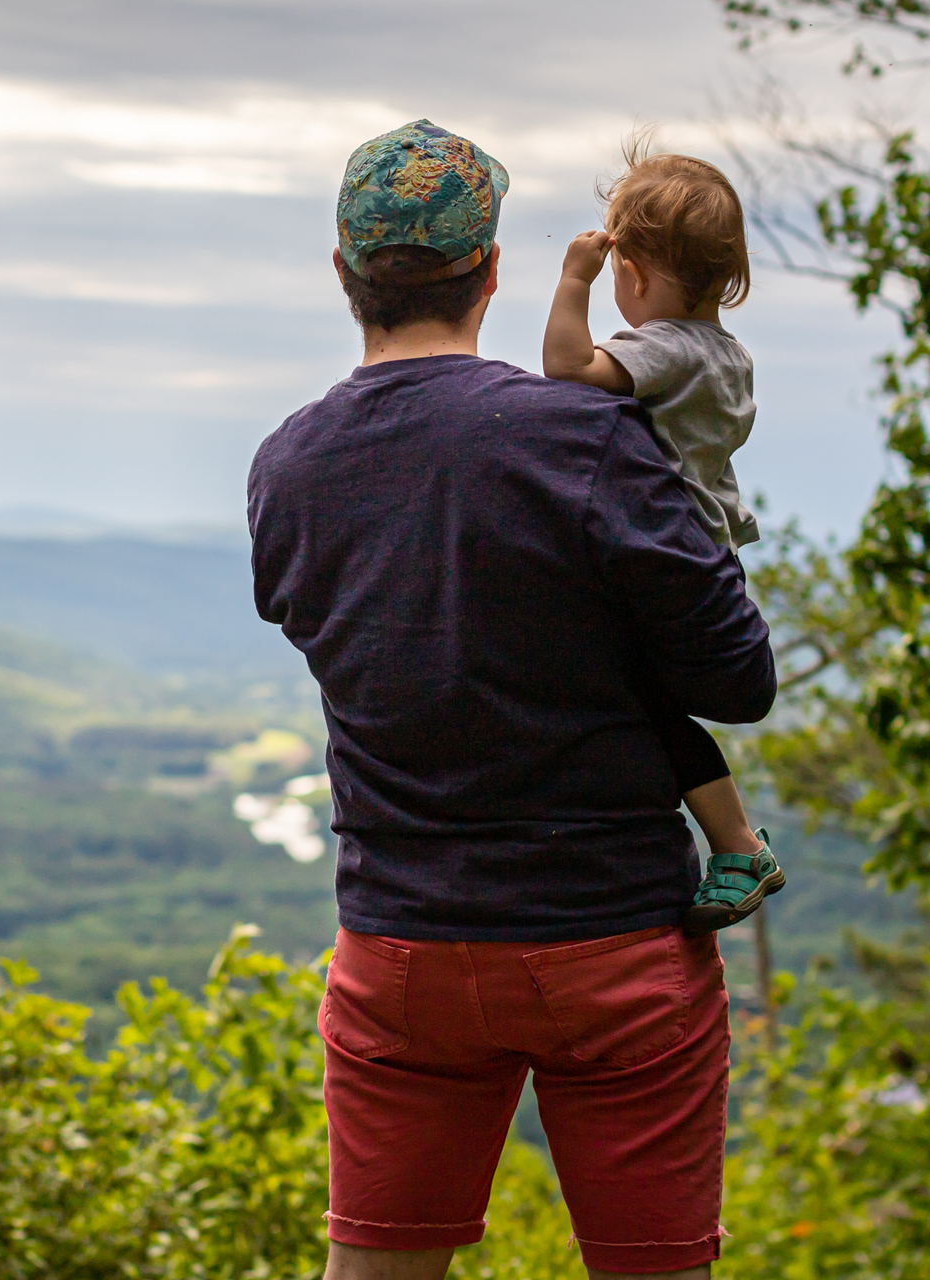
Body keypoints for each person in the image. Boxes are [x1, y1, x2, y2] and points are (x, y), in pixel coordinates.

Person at [247, 120, 777, 1280]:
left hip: (403, 943)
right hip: (614, 940)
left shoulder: (286, 466)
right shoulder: (582, 435)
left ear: (344, 276)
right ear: (490, 270)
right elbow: (738, 679)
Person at [541, 142, 785, 934]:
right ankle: (737, 843)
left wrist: (572, 279)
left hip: (661, 559)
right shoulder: (729, 356)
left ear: (636, 273)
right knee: (651, 708)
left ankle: (738, 844)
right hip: (708, 554)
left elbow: (568, 372)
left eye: (617, 271)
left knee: (619, 693)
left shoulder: (667, 348)